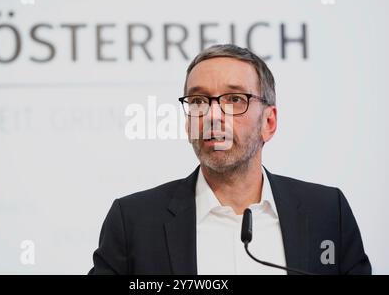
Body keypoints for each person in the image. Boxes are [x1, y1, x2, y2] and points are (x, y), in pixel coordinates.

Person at [89, 44, 371, 275]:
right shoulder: (134, 222)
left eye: (234, 99)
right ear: (188, 124)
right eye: (198, 101)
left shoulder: (328, 213)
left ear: (269, 122)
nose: (212, 115)